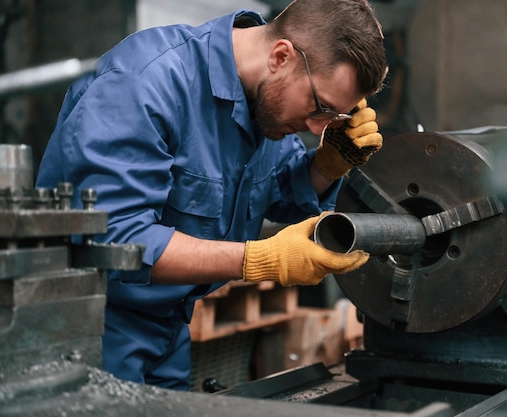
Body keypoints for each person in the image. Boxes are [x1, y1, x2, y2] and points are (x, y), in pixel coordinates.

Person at [36, 0, 388, 390]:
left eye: (331, 118)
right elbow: (114, 239)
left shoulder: (266, 110)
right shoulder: (145, 83)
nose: (313, 127)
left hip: (167, 329)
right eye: (319, 107)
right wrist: (258, 259)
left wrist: (327, 165)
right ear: (281, 56)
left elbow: (277, 189)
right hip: (90, 330)